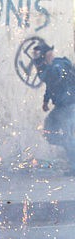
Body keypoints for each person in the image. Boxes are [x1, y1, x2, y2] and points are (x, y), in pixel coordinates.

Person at [32, 42, 75, 172]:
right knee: (50, 130)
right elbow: (50, 85)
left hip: (68, 105)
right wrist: (46, 101)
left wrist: (48, 65)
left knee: (66, 136)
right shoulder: (50, 66)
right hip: (61, 106)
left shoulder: (56, 66)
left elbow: (55, 76)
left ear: (46, 55)